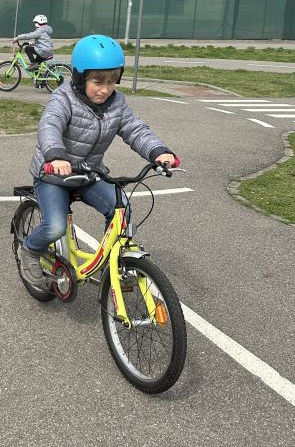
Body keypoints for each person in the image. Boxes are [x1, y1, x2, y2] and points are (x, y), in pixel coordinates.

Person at [18, 34, 179, 287]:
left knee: (121, 210)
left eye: (112, 81)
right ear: (79, 78)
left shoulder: (117, 103)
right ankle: (29, 250)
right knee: (55, 227)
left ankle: (116, 265)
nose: (105, 89)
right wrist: (56, 155)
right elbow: (50, 125)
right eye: (98, 81)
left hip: (89, 174)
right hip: (53, 174)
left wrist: (158, 151)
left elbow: (135, 130)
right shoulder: (63, 98)